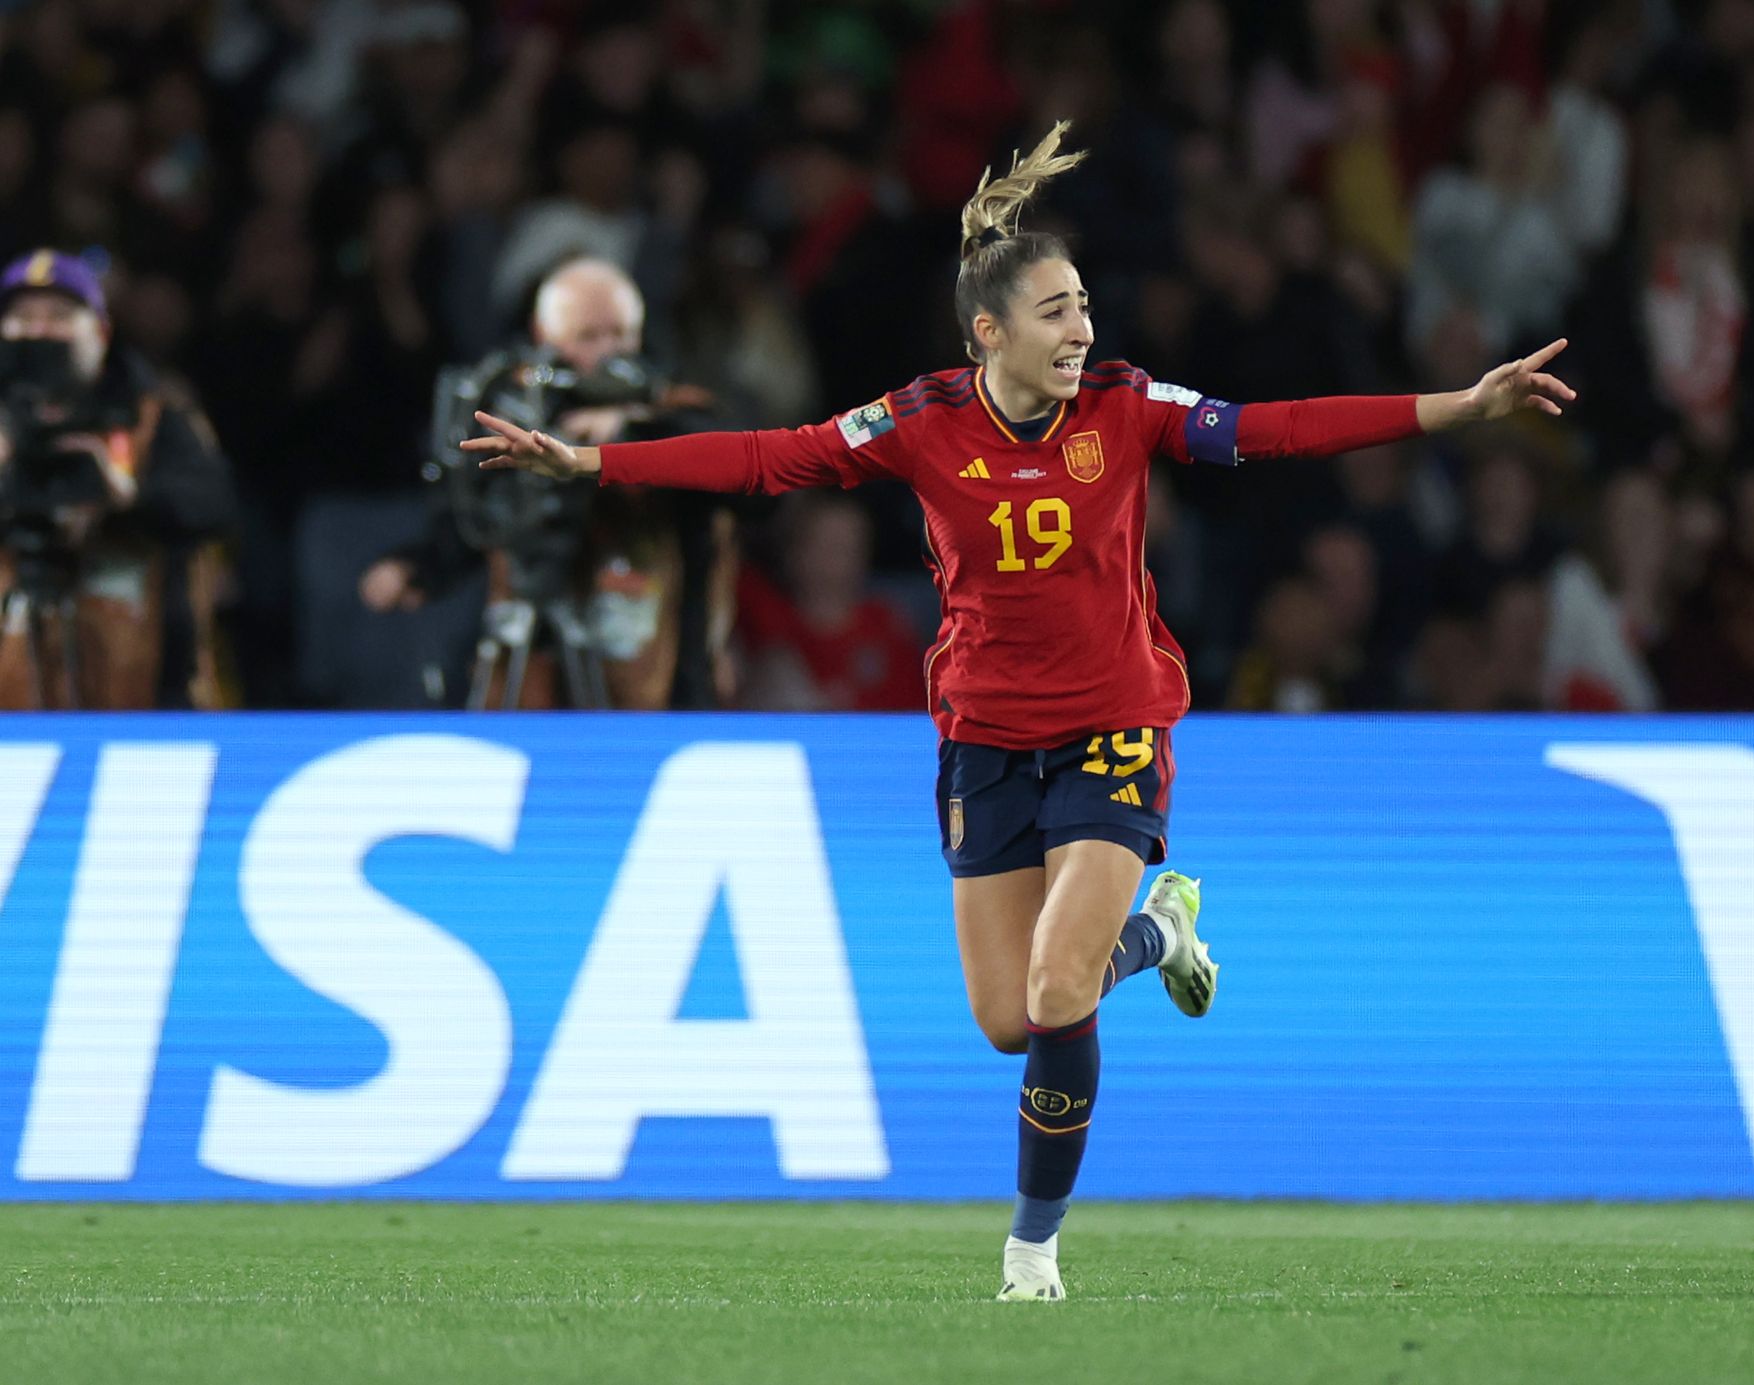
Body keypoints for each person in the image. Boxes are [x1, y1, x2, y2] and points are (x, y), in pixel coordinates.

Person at [462, 123, 1574, 1300]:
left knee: (1054, 991)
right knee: (1009, 1020)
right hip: (984, 741)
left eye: (1082, 305)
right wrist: (590, 467)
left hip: (1112, 727)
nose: (1080, 329)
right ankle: (1159, 933)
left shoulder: (1127, 405)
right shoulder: (920, 418)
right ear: (987, 332)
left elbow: (1274, 427)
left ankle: (1030, 1248)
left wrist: (1458, 404)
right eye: (1054, 311)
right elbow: (769, 458)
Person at [360, 256, 730, 709]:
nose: (608, 352)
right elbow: (482, 519)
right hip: (536, 653)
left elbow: (743, 477)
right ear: (543, 334)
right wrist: (419, 566)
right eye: (588, 337)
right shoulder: (521, 408)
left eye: (620, 334)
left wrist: (630, 431)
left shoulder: (672, 403)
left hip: (654, 665)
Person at [0, 249, 235, 709]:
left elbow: (216, 505)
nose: (40, 333)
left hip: (142, 698)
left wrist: (127, 497)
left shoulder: (151, 418)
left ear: (101, 333)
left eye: (59, 317)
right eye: (23, 319)